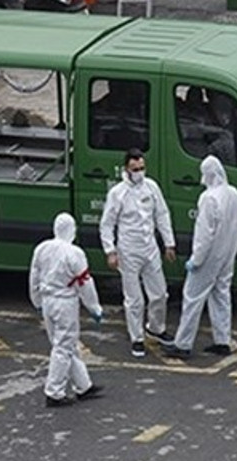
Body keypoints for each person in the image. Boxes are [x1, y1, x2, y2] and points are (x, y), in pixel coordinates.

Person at [163, 156, 237, 359]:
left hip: (209, 257)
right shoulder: (234, 194)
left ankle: (183, 344)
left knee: (192, 297)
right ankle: (222, 340)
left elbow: (204, 235)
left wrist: (196, 260)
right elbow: (236, 225)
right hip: (227, 254)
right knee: (221, 296)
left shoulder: (209, 198)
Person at [99, 148, 175, 358]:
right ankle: (137, 338)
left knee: (159, 293)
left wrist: (169, 244)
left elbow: (162, 215)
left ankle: (156, 327)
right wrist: (111, 251)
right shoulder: (117, 193)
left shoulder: (151, 188)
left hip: (150, 248)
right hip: (128, 251)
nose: (139, 172)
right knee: (134, 299)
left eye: (142, 168)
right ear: (126, 169)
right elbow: (107, 224)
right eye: (135, 169)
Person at [29, 213, 105, 407]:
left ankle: (83, 386)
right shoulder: (74, 253)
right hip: (65, 303)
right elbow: (85, 284)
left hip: (47, 302)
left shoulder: (42, 249)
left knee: (66, 345)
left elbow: (34, 278)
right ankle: (54, 392)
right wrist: (94, 308)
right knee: (63, 346)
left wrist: (36, 301)